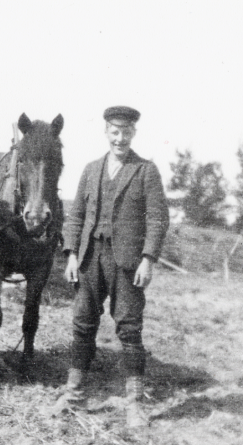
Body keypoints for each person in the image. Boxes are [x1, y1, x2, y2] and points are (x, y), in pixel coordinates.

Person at [54, 106, 169, 428]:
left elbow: (158, 219)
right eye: (115, 132)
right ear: (106, 132)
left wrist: (148, 259)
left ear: (134, 133)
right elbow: (76, 216)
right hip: (90, 258)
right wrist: (72, 254)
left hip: (127, 263)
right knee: (82, 325)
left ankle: (135, 405)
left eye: (126, 132)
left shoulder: (145, 171)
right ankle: (73, 394)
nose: (120, 138)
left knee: (129, 330)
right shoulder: (92, 169)